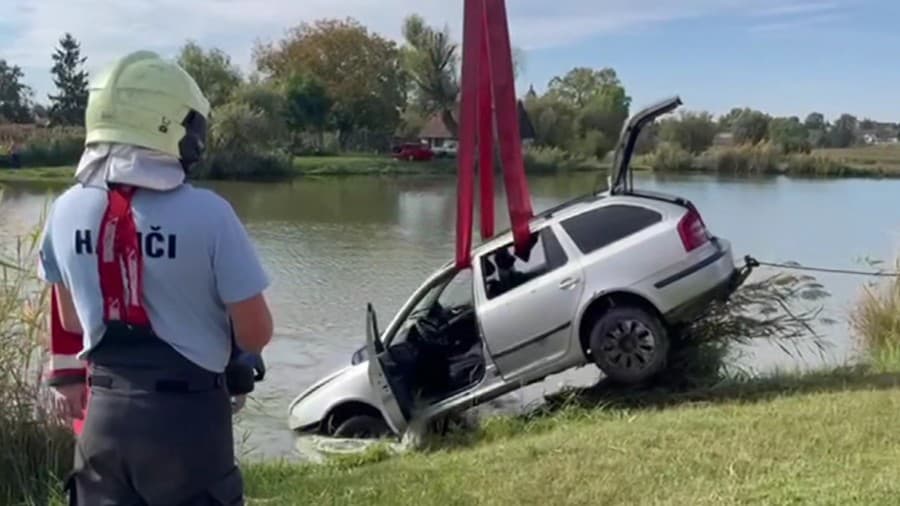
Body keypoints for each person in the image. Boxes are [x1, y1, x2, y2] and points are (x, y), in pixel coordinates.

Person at [37, 50, 273, 505]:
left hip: (104, 417)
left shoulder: (65, 209)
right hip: (187, 422)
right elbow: (256, 332)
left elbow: (71, 320)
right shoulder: (210, 213)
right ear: (179, 129)